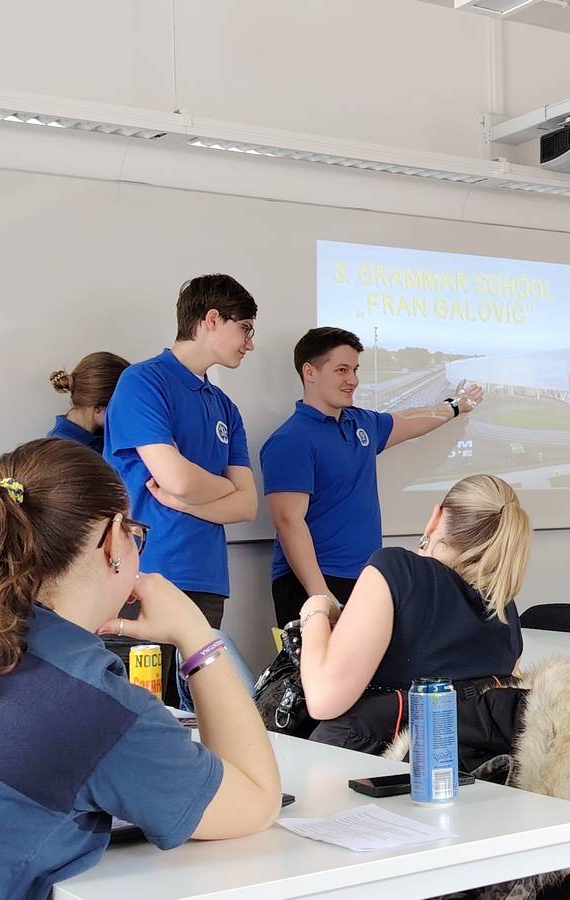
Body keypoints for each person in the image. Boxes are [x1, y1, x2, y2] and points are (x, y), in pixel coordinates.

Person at [0, 439, 280, 900]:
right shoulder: (99, 708)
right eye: (136, 532)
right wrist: (196, 635)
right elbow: (256, 800)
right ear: (115, 538)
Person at [261, 326, 484, 627]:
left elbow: (410, 420)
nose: (352, 380)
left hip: (364, 578)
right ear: (309, 372)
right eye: (341, 370)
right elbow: (289, 522)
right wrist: (321, 595)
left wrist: (456, 406)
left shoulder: (361, 423)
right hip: (312, 583)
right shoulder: (291, 440)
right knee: (314, 662)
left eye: (354, 370)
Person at [298, 473, 526, 737]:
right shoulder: (505, 608)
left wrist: (314, 610)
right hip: (453, 760)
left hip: (364, 758)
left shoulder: (397, 570)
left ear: (436, 517)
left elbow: (323, 699)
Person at [102, 274, 258, 629]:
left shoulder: (225, 407)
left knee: (204, 670)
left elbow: (247, 506)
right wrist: (225, 487)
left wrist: (184, 503)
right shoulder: (143, 382)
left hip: (206, 580)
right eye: (245, 328)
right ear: (212, 319)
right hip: (144, 576)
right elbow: (178, 480)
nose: (249, 343)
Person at [46, 351, 129, 453]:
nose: (127, 414)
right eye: (124, 408)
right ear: (97, 409)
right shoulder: (62, 450)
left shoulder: (101, 431)